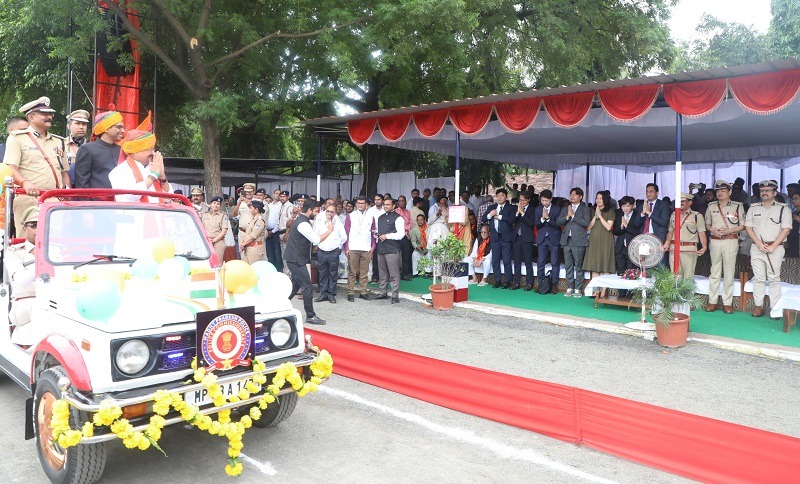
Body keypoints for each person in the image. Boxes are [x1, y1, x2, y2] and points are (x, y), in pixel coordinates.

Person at [5, 96, 71, 235]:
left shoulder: (59, 141)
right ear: (31, 117)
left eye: (50, 114)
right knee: (28, 244)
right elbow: (11, 168)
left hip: (54, 198)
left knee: (56, 242)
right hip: (28, 198)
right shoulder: (17, 138)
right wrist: (25, 182)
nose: (49, 117)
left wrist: (68, 192)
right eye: (44, 114)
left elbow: (64, 172)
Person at [745, 180, 792, 318]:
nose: (764, 193)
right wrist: (758, 243)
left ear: (774, 193)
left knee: (774, 278)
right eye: (762, 191)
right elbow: (748, 227)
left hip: (775, 248)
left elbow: (786, 229)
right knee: (758, 278)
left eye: (768, 190)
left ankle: (775, 309)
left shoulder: (783, 208)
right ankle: (758, 306)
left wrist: (773, 245)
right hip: (757, 247)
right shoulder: (753, 208)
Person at [285, 200, 334, 325]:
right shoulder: (303, 224)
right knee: (307, 286)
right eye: (316, 211)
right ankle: (310, 316)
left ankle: (280, 306)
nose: (317, 214)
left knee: (294, 286)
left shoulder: (303, 220)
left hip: (296, 258)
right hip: (296, 259)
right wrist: (329, 230)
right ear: (309, 210)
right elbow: (316, 240)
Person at [704, 180, 746, 314]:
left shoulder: (737, 206)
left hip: (730, 240)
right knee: (714, 271)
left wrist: (729, 231)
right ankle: (713, 301)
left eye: (723, 191)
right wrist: (713, 230)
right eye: (718, 191)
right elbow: (707, 224)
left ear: (730, 192)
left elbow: (742, 225)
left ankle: (727, 303)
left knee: (729, 271)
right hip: (715, 240)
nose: (720, 193)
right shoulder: (711, 206)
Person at [108, 130, 172, 202]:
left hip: (159, 212)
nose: (153, 153)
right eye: (149, 149)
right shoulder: (118, 172)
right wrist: (153, 175)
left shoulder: (152, 168)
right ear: (135, 152)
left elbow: (168, 197)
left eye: (153, 149)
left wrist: (162, 176)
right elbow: (131, 195)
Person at [74, 109, 125, 189]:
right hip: (96, 200)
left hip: (120, 199)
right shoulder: (87, 149)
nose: (123, 131)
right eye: (119, 127)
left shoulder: (121, 150)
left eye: (123, 127)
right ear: (106, 128)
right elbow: (82, 183)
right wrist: (85, 201)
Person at [368, 197, 405, 304]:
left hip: (392, 249)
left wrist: (387, 236)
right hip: (381, 248)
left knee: (394, 274)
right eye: (384, 204)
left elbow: (401, 234)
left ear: (394, 206)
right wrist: (376, 232)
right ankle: (382, 293)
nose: (385, 206)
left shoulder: (398, 218)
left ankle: (395, 295)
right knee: (382, 273)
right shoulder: (380, 218)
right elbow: (381, 232)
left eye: (388, 204)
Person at [663, 193, 707, 281]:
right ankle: (677, 295)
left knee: (688, 276)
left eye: (683, 201)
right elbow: (670, 231)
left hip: (689, 249)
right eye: (678, 201)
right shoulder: (674, 215)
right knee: (675, 275)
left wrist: (704, 247)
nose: (680, 203)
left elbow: (701, 233)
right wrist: (667, 242)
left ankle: (687, 295)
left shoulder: (696, 216)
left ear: (689, 203)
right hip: (674, 248)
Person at [7, 206, 38, 331]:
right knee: (40, 307)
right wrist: (42, 260)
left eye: (42, 224)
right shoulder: (15, 252)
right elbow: (21, 280)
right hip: (24, 303)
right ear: (25, 229)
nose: (39, 229)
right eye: (33, 225)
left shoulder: (57, 249)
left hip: (53, 299)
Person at [556, 187, 590, 297]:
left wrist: (574, 216)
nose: (572, 196)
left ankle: (578, 288)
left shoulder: (585, 208)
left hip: (579, 241)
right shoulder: (566, 208)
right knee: (568, 265)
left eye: (575, 195)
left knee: (578, 265)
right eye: (571, 194)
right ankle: (570, 287)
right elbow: (558, 222)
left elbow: (586, 223)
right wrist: (567, 216)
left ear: (580, 197)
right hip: (567, 240)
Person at [481, 188, 515, 288]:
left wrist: (499, 216)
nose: (500, 198)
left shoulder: (511, 207)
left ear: (506, 197)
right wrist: (490, 215)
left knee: (506, 260)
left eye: (502, 195)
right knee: (495, 259)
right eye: (498, 196)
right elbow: (483, 219)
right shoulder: (492, 207)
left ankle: (508, 281)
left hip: (506, 237)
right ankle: (497, 280)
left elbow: (511, 220)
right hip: (495, 238)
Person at [583, 191, 617, 290]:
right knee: (594, 264)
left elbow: (608, 227)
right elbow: (588, 227)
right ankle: (596, 290)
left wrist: (600, 216)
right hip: (594, 240)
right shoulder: (592, 210)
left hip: (606, 240)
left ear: (605, 199)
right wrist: (595, 215)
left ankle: (604, 291)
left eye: (601, 198)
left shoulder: (610, 212)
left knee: (605, 263)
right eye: (597, 198)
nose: (598, 200)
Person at [344, 196, 375, 301]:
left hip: (366, 247)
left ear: (366, 205)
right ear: (356, 204)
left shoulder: (371, 216)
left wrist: (373, 246)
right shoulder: (350, 216)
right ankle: (350, 292)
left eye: (362, 203)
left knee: (364, 271)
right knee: (352, 271)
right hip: (353, 247)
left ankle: (363, 291)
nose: (360, 205)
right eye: (358, 203)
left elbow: (373, 233)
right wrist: (346, 247)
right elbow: (346, 233)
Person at [314, 203, 347, 303]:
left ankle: (331, 294)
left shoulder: (338, 224)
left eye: (331, 211)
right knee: (322, 273)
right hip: (322, 252)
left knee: (333, 274)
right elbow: (315, 236)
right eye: (327, 211)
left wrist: (338, 246)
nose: (329, 213)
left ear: (335, 213)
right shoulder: (319, 223)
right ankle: (323, 294)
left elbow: (344, 237)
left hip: (333, 252)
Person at [534, 190, 561, 294]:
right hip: (542, 239)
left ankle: (554, 285)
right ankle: (540, 284)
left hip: (553, 238)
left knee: (554, 262)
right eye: (542, 200)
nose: (544, 203)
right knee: (540, 262)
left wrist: (548, 219)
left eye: (546, 200)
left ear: (551, 199)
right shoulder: (538, 209)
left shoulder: (557, 209)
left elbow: (558, 225)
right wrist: (542, 219)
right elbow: (536, 224)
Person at [511, 192, 535, 290]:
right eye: (520, 200)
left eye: (524, 200)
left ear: (528, 200)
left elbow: (531, 223)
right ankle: (516, 282)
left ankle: (529, 283)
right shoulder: (516, 208)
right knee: (517, 261)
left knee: (528, 261)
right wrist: (517, 213)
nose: (522, 202)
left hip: (527, 238)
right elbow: (511, 221)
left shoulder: (533, 209)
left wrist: (523, 213)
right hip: (517, 237)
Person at [613, 196, 643, 274]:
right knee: (620, 272)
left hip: (632, 247)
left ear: (632, 206)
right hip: (620, 248)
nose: (625, 208)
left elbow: (638, 232)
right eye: (623, 206)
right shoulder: (619, 215)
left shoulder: (637, 215)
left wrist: (627, 226)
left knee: (631, 272)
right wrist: (621, 227)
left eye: (628, 206)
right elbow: (615, 232)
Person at [65, 109, 90, 186]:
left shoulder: (91, 146)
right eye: (77, 123)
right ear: (68, 126)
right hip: (67, 187)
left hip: (87, 187)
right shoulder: (61, 144)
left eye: (84, 124)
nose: (81, 127)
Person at [201, 196, 229, 263]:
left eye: (218, 204)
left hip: (218, 241)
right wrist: (207, 240)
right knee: (206, 261)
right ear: (210, 204)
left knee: (218, 261)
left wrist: (213, 241)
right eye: (214, 203)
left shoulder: (223, 215)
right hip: (206, 240)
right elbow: (202, 228)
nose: (216, 205)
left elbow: (224, 231)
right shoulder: (205, 215)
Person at [395, 195, 414, 281]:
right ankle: (395, 274)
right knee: (396, 256)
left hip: (406, 236)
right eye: (400, 201)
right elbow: (395, 225)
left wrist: (405, 228)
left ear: (406, 202)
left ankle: (405, 274)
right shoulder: (395, 212)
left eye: (403, 200)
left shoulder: (408, 212)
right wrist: (404, 228)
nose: (401, 202)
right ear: (398, 202)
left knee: (406, 256)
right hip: (397, 237)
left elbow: (411, 223)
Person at [232, 183, 256, 249]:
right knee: (242, 255)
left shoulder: (257, 201)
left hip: (253, 233)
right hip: (242, 232)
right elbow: (234, 215)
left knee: (252, 255)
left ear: (254, 191)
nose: (248, 193)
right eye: (246, 192)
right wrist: (239, 203)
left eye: (250, 191)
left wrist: (249, 203)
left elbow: (257, 215)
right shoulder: (241, 201)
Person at [266, 188, 284, 271]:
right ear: (273, 194)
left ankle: (279, 270)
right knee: (269, 252)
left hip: (276, 231)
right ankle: (271, 269)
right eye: (276, 193)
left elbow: (279, 220)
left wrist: (273, 231)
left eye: (279, 194)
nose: (277, 195)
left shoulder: (281, 206)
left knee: (277, 252)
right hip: (268, 231)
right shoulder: (269, 205)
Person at [788, 192, 800, 258]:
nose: (793, 201)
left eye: (796, 199)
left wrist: (797, 218)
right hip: (793, 238)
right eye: (792, 199)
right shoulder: (795, 211)